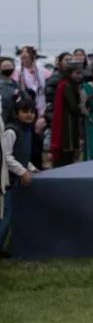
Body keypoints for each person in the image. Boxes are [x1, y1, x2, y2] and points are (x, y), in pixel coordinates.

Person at [1, 98, 39, 252]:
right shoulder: (11, 131)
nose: (29, 115)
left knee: (11, 215)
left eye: (32, 112)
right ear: (16, 113)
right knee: (5, 216)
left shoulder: (27, 129)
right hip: (6, 181)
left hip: (14, 179)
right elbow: (6, 157)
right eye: (24, 111)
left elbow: (21, 154)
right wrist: (22, 171)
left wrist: (31, 168)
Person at [50, 63, 85, 167]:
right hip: (67, 121)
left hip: (67, 119)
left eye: (81, 73)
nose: (79, 76)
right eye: (77, 73)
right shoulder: (67, 85)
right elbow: (73, 105)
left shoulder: (66, 84)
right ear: (70, 73)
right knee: (67, 149)